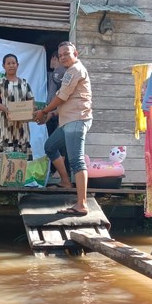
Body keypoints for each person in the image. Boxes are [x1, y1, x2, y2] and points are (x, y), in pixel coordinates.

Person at [35, 41, 93, 216]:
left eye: (67, 53)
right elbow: (66, 101)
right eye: (60, 55)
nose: (63, 57)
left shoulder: (75, 70)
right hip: (67, 121)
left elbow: (61, 96)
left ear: (75, 53)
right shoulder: (69, 71)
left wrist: (44, 111)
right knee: (50, 146)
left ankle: (81, 204)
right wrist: (52, 115)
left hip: (76, 120)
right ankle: (65, 181)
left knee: (77, 161)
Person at [0, 54, 34, 160]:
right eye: (8, 63)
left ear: (17, 65)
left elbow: (31, 100)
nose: (11, 66)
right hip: (4, 122)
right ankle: (5, 175)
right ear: (3, 66)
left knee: (20, 153)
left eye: (13, 63)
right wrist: (8, 110)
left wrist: (28, 112)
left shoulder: (24, 83)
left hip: (21, 123)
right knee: (5, 154)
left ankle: (18, 175)